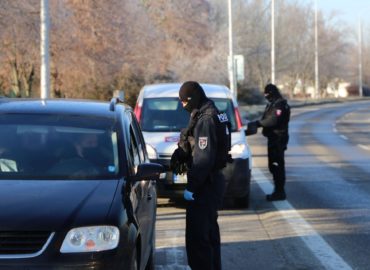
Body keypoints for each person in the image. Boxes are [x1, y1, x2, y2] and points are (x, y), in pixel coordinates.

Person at [170, 81, 231, 270]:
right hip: (211, 182)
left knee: (198, 239)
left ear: (193, 98)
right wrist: (182, 152)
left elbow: (204, 159)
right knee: (209, 234)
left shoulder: (206, 119)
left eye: (184, 101)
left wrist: (191, 187)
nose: (182, 105)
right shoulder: (211, 113)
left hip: (206, 185)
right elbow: (196, 144)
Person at [247, 83, 290, 201]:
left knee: (277, 165)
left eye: (267, 94)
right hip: (273, 139)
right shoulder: (273, 104)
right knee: (273, 165)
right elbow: (266, 119)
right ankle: (278, 191)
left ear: (272, 93)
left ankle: (280, 192)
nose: (266, 96)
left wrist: (258, 124)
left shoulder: (280, 105)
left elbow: (273, 120)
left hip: (278, 139)